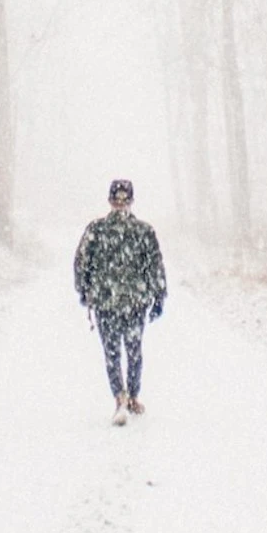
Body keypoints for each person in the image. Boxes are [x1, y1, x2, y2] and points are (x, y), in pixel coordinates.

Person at [73, 178, 167, 426]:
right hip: (133, 302)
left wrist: (84, 290)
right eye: (119, 200)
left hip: (108, 303)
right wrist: (158, 295)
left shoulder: (97, 230)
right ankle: (129, 396)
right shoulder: (143, 231)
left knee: (113, 353)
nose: (121, 204)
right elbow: (155, 267)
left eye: (122, 200)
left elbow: (81, 263)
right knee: (133, 351)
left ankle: (121, 397)